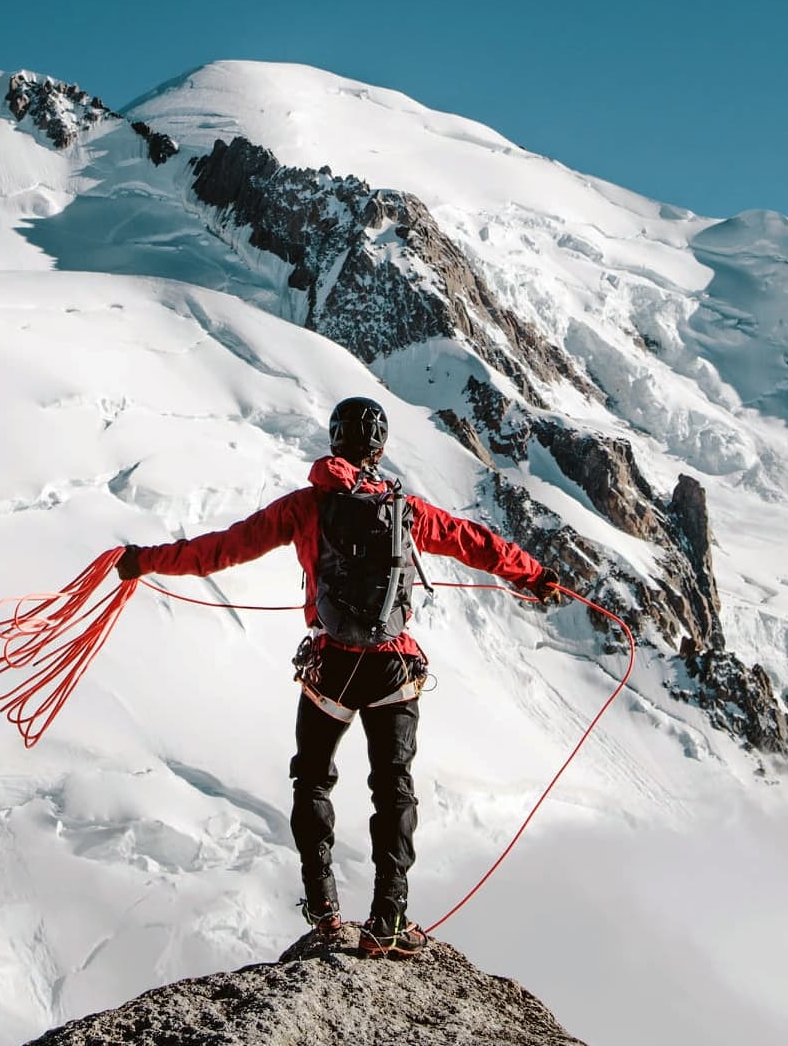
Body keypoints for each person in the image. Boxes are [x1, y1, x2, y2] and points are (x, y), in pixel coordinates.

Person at [115, 397, 562, 959]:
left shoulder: (305, 507)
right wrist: (537, 575)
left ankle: (325, 910)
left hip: (330, 667)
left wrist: (143, 561)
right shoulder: (404, 509)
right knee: (393, 788)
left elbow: (218, 551)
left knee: (313, 781)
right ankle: (389, 919)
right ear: (378, 446)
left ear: (334, 441)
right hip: (392, 666)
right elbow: (476, 544)